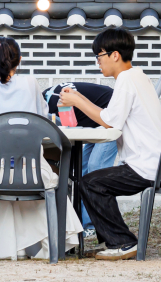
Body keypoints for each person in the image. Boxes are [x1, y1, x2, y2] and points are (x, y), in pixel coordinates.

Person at [59, 28, 161, 261]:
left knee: (91, 183)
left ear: (114, 55)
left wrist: (77, 102)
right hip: (159, 162)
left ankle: (123, 242)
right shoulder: (137, 77)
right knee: (94, 182)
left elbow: (110, 121)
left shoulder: (126, 79)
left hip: (149, 165)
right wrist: (79, 98)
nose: (97, 62)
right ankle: (116, 241)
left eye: (99, 56)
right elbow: (111, 117)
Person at [0, 37, 83, 260]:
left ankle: (9, 247)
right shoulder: (31, 83)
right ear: (19, 60)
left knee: (2, 180)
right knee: (39, 177)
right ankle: (37, 244)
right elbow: (43, 122)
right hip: (31, 163)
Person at [44, 81, 116, 238]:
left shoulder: (50, 107)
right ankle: (84, 224)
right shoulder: (49, 96)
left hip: (112, 118)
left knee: (96, 167)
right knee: (82, 169)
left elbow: (64, 134)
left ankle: (92, 226)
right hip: (97, 122)